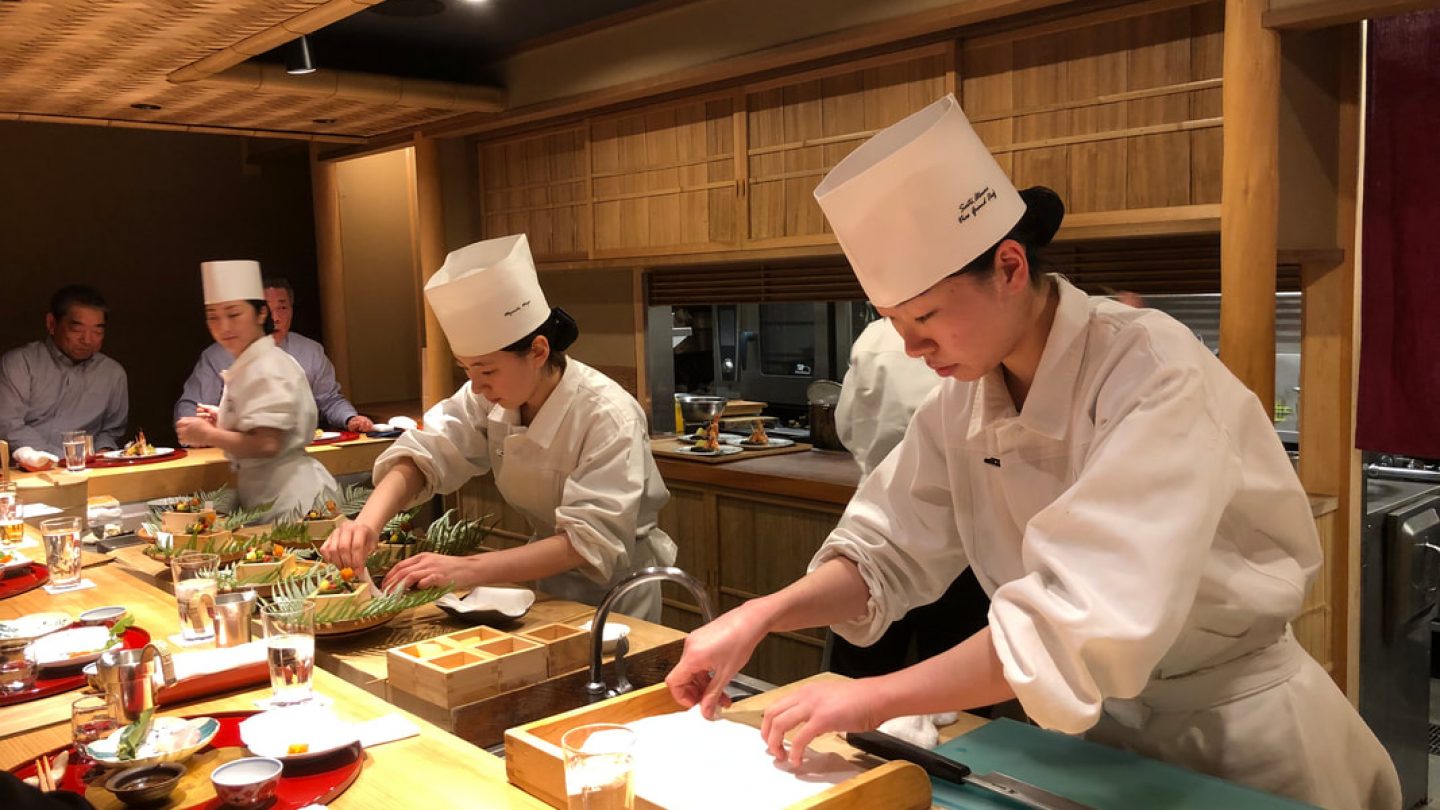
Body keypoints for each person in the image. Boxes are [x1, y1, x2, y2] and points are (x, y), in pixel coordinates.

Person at [665, 94, 1400, 809]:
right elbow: (884, 552)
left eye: (926, 317)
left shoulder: (1151, 369)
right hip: (1102, 746)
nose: (913, 348)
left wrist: (874, 697)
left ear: (1011, 268)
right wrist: (760, 615)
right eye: (894, 323)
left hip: (1242, 742)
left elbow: (1079, 620)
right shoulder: (962, 400)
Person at [322, 234, 677, 622]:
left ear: (538, 351)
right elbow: (426, 452)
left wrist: (466, 569)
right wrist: (366, 524)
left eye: (487, 370)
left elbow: (588, 541)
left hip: (619, 592)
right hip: (544, 585)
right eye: (467, 370)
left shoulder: (606, 414)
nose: (476, 386)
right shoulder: (490, 397)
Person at [829, 317, 991, 681]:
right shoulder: (973, 335)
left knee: (861, 671)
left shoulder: (874, 336)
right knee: (951, 680)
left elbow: (847, 426)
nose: (916, 347)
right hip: (962, 538)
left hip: (881, 513)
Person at [174, 261, 337, 520]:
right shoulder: (250, 362)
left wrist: (209, 434)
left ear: (261, 313)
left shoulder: (266, 365)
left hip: (294, 501)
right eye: (213, 316)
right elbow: (259, 429)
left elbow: (267, 443)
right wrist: (224, 420)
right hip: (271, 497)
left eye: (233, 314)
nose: (224, 327)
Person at [174, 276, 372, 436]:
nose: (275, 318)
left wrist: (350, 418)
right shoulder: (216, 356)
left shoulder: (299, 355)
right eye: (213, 317)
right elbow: (192, 408)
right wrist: (202, 425)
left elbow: (271, 438)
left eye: (282, 308)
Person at [0, 285, 127, 471]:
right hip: (26, 471)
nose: (88, 340)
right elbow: (8, 426)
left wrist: (103, 453)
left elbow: (111, 431)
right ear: (52, 324)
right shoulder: (20, 363)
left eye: (97, 331)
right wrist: (61, 459)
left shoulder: (113, 373)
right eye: (77, 329)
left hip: (89, 470)